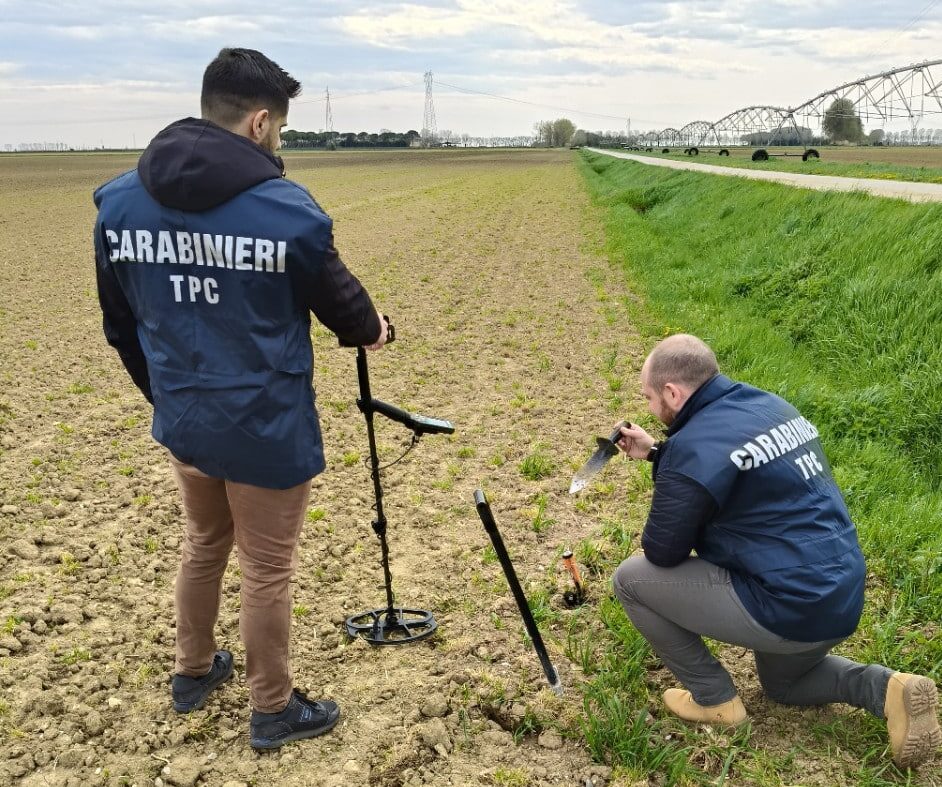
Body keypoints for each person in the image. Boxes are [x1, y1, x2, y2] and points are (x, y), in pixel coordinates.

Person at [93, 48, 388, 749]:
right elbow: (350, 313)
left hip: (186, 421)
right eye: (279, 129)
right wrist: (377, 329)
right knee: (267, 568)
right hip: (265, 425)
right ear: (260, 123)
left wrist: (167, 396)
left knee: (202, 544)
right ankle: (273, 708)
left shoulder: (119, 204)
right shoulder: (288, 211)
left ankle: (192, 672)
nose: (278, 142)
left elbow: (120, 327)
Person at [612, 334, 940, 769]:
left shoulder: (692, 448)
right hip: (840, 594)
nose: (651, 408)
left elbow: (662, 550)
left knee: (631, 579)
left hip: (785, 603)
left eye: (649, 398)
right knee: (785, 686)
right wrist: (659, 452)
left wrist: (671, 463)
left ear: (672, 392)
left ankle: (714, 699)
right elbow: (728, 462)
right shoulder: (769, 406)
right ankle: (888, 689)